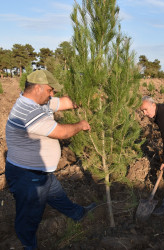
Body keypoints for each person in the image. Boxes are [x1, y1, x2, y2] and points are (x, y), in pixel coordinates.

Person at [5, 70, 96, 250]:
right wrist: (80, 125)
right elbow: (62, 132)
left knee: (58, 196)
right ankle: (28, 245)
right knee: (29, 216)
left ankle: (78, 214)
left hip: (41, 173)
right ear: (38, 88)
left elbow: (64, 102)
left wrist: (88, 96)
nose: (53, 94)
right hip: (27, 176)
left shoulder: (40, 102)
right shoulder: (27, 111)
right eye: (50, 90)